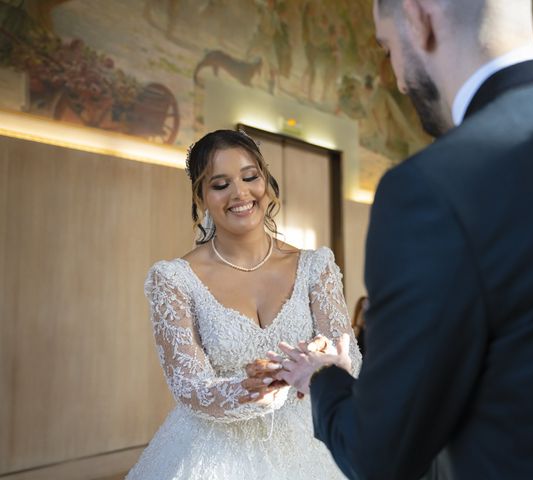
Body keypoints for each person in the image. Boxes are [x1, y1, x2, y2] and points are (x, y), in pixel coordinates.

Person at [244, 0, 533, 478]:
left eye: (388, 48)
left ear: (418, 16)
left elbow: (382, 456)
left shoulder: (432, 187)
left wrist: (325, 378)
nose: (396, 78)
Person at [125, 129, 361, 480]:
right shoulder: (174, 279)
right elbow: (190, 387)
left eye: (250, 177)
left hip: (313, 441)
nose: (240, 193)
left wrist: (318, 357)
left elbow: (351, 358)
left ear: (265, 180)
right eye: (220, 185)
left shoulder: (316, 266)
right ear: (201, 196)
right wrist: (250, 390)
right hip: (215, 453)